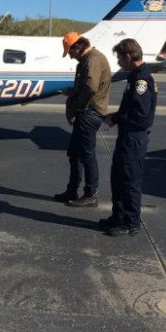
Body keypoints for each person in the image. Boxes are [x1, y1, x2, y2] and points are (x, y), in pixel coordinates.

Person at [101, 38, 157, 237]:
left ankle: (130, 222)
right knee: (118, 177)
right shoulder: (135, 77)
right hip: (127, 136)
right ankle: (119, 216)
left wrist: (115, 118)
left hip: (134, 138)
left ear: (127, 57)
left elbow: (139, 115)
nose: (118, 63)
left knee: (129, 180)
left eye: (119, 59)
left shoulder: (141, 80)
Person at [53, 32, 112, 207]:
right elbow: (86, 86)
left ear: (77, 47)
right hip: (86, 112)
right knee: (75, 154)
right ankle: (72, 189)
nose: (70, 57)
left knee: (86, 155)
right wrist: (74, 92)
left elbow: (91, 87)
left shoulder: (92, 59)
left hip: (88, 112)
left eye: (70, 53)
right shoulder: (89, 59)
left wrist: (78, 104)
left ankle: (90, 194)